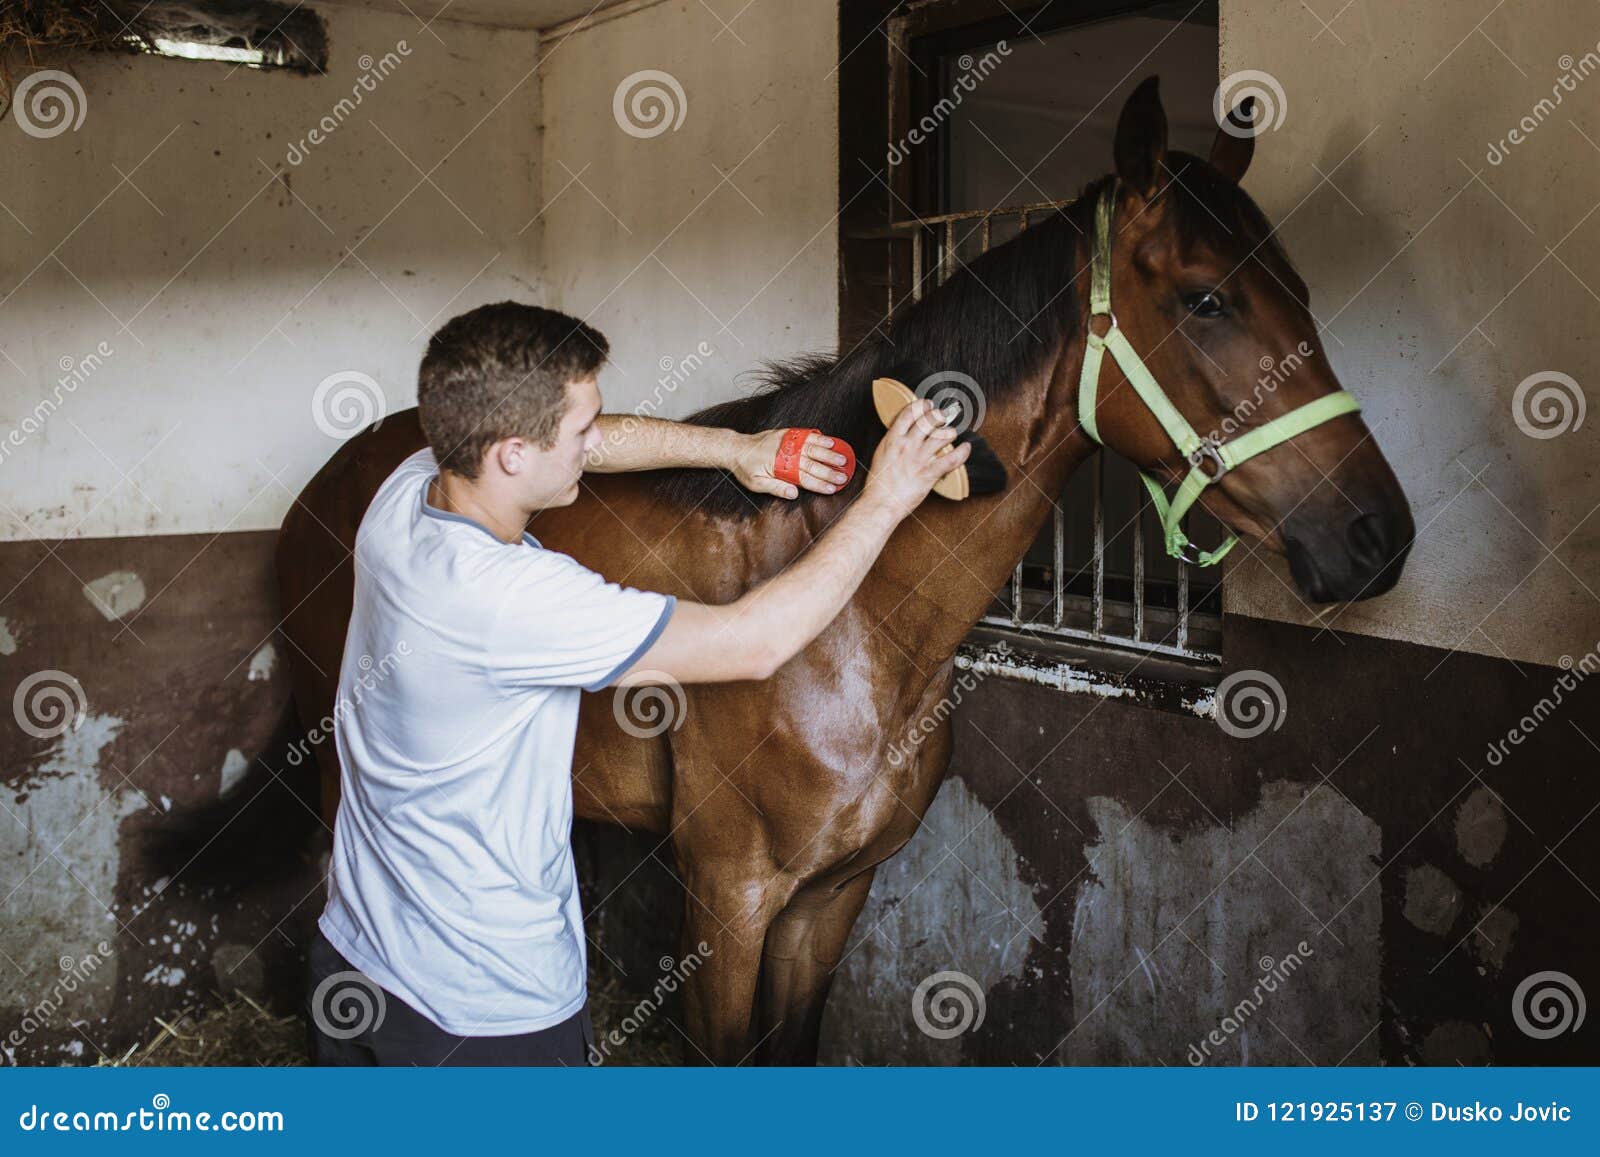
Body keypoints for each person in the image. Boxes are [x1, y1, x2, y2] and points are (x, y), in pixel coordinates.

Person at [305, 301, 969, 1065]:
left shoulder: (405, 494)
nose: (597, 441)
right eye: (581, 430)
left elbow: (602, 444)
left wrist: (736, 448)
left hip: (357, 959)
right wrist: (888, 496)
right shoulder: (517, 599)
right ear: (514, 453)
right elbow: (756, 642)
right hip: (482, 1014)